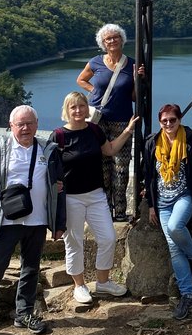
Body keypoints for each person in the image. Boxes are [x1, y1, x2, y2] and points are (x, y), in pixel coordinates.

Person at [0, 105, 66, 335]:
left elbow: (58, 188)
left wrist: (58, 223)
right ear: (11, 126)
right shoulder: (0, 150)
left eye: (29, 123)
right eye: (20, 124)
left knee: (31, 269)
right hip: (6, 223)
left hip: (37, 221)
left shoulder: (48, 150)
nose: (25, 128)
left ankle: (24, 313)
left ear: (36, 124)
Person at [50, 91, 139, 304]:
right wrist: (55, 183)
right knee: (74, 242)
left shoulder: (95, 130)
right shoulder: (59, 136)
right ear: (66, 110)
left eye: (81, 106)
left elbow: (109, 151)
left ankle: (103, 282)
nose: (78, 111)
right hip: (71, 198)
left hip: (96, 194)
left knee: (107, 237)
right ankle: (79, 286)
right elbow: (49, 165)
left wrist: (127, 131)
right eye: (73, 107)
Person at [143, 104, 192, 320]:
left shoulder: (191, 140)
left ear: (179, 119)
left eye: (173, 120)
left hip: (184, 197)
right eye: (165, 121)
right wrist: (151, 204)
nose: (169, 124)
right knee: (174, 249)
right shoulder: (153, 143)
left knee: (175, 227)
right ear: (160, 122)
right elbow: (148, 175)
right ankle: (188, 295)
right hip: (162, 202)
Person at [77, 23, 142, 221]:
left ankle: (120, 213)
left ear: (122, 40)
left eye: (115, 37)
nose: (112, 41)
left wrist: (139, 80)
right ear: (103, 43)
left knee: (121, 169)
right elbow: (81, 80)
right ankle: (105, 212)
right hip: (97, 120)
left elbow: (133, 97)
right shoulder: (95, 62)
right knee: (101, 168)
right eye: (108, 39)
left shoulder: (131, 64)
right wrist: (94, 92)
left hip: (122, 121)